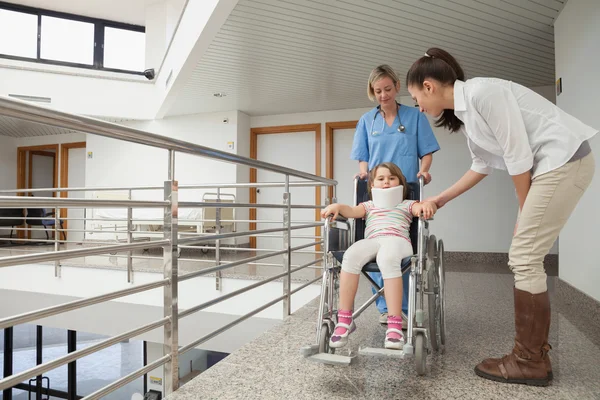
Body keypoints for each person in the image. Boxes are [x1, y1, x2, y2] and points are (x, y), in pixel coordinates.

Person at [406, 47, 597, 386]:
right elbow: (482, 165)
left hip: (562, 162)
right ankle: (533, 356)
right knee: (526, 255)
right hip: (555, 167)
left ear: (429, 86)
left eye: (415, 96)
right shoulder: (468, 115)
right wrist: (442, 198)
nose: (417, 105)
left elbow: (518, 156)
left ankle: (529, 360)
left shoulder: (483, 92)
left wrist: (524, 211)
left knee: (523, 257)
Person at [351, 64, 440, 325]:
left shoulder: (415, 117)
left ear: (397, 87)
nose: (383, 95)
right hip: (377, 192)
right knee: (376, 241)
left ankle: (401, 306)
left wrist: (424, 172)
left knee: (400, 246)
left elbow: (426, 151)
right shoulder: (367, 121)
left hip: (406, 190)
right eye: (377, 90)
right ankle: (384, 307)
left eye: (388, 89)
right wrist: (363, 173)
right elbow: (362, 157)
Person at [321, 163, 437, 349]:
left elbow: (420, 209)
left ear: (401, 183)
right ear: (372, 186)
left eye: (392, 178)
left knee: (387, 258)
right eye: (381, 179)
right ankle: (345, 320)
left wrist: (427, 204)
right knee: (351, 256)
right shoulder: (369, 205)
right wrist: (337, 206)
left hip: (398, 242)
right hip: (374, 241)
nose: (386, 183)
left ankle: (394, 324)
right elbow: (350, 211)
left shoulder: (407, 204)